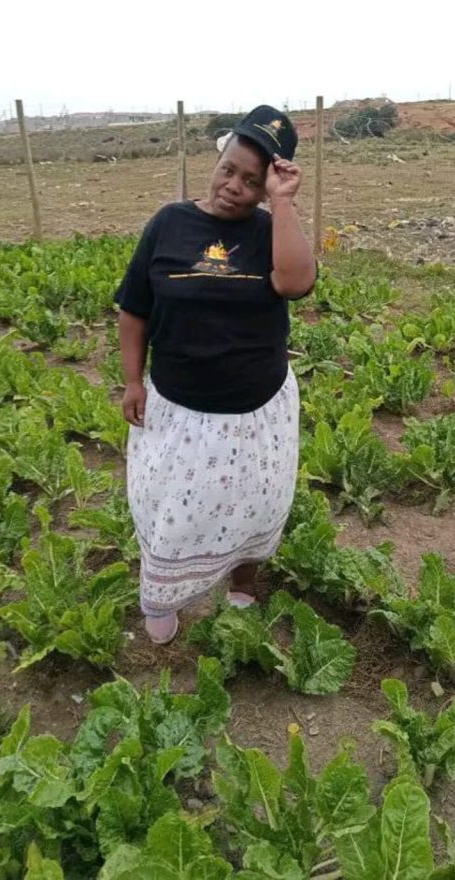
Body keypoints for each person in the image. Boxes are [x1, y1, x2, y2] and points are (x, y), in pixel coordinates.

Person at [116, 105, 316, 644]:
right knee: (169, 509)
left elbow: (296, 282)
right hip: (179, 408)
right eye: (229, 169)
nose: (235, 186)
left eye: (252, 180)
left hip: (258, 411)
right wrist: (133, 381)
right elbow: (134, 309)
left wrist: (282, 201)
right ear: (218, 159)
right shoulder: (168, 222)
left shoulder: (270, 231)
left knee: (255, 502)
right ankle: (163, 593)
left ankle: (243, 578)